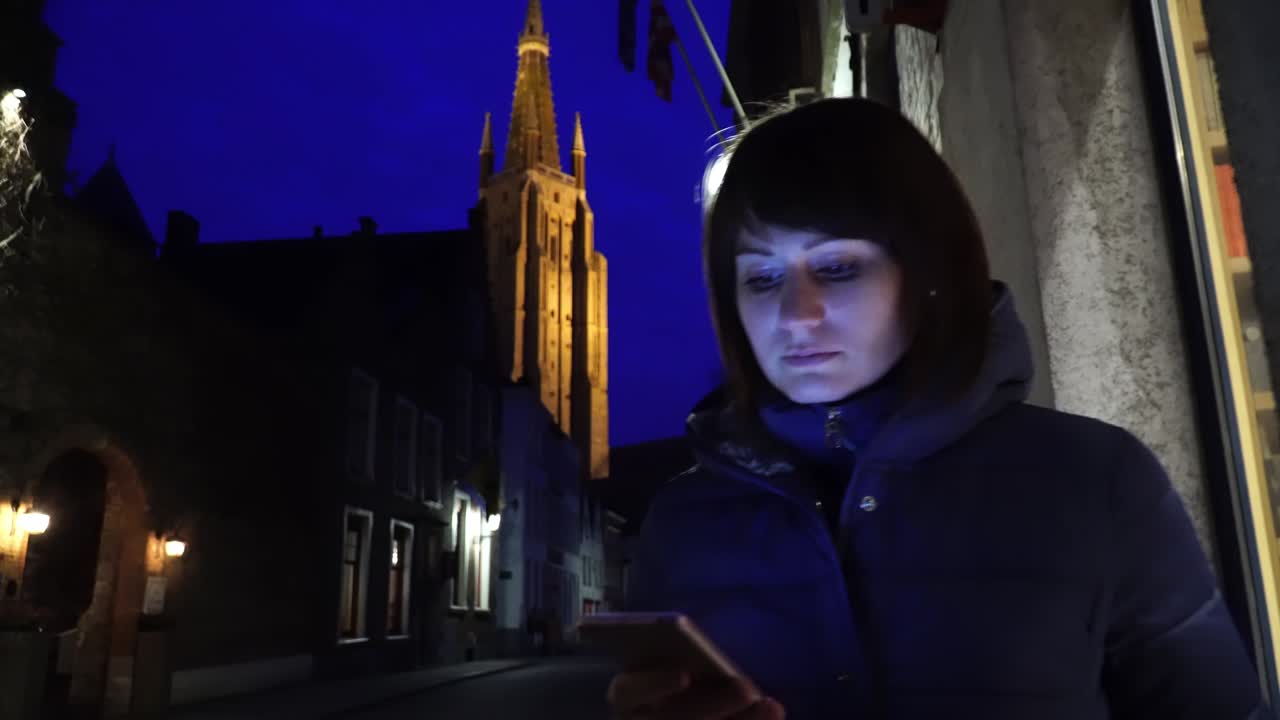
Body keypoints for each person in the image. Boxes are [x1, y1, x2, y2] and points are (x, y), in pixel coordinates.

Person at [606, 98, 1268, 719]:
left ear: (926, 269)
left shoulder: (1097, 482)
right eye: (760, 276)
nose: (794, 315)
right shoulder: (683, 523)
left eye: (836, 268)